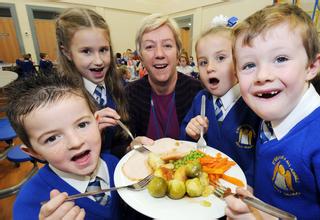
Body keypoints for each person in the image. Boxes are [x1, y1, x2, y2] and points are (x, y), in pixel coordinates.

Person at [224, 4, 320, 219]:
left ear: (312, 66)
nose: (262, 75)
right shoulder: (268, 121)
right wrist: (255, 203)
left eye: (280, 59)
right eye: (248, 65)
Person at [5, 74, 120, 220]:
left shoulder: (114, 164)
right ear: (34, 152)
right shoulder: (28, 204)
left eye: (82, 124)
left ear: (97, 122)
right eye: (52, 138)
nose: (75, 142)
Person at [180, 25, 260, 185]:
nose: (210, 68)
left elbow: (261, 156)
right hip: (203, 189)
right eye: (203, 62)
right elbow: (184, 140)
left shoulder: (255, 104)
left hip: (240, 192)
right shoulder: (201, 99)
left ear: (239, 61)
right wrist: (190, 132)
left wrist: (250, 185)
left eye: (221, 58)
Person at [55, 8, 131, 158]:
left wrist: (129, 148)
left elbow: (117, 143)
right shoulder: (60, 101)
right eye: (86, 51)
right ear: (67, 53)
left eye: (103, 50)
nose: (98, 61)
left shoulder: (117, 85)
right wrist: (88, 132)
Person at [126, 13, 203, 140]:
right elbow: (120, 145)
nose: (159, 54)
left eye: (167, 45)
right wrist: (130, 147)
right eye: (149, 47)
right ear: (140, 56)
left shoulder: (197, 92)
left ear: (178, 52)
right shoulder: (130, 95)